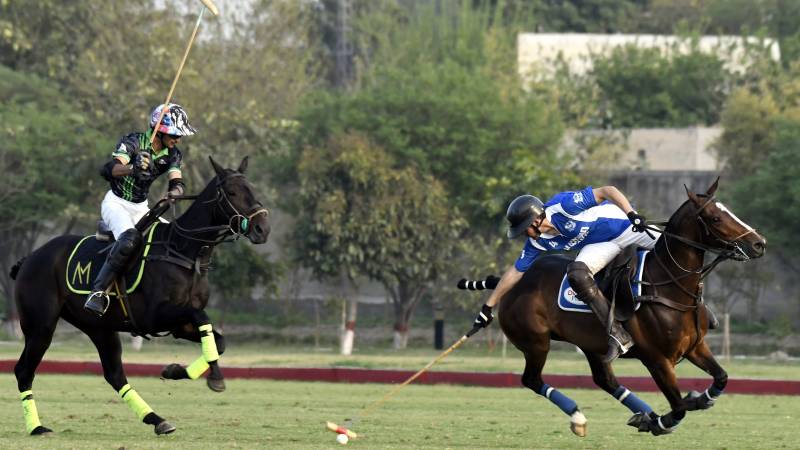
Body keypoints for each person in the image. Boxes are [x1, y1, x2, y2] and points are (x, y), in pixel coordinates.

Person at [472, 186, 657, 363]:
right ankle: (618, 334)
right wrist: (488, 306)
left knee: (676, 246)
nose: (523, 235)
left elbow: (607, 190)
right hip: (604, 245)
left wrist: (631, 214)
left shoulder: (564, 206)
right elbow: (515, 272)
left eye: (523, 229)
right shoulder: (538, 242)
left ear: (535, 220)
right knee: (577, 273)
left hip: (626, 227)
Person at [84, 103, 195, 317]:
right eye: (174, 134)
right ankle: (97, 293)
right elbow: (108, 169)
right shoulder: (134, 142)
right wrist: (132, 168)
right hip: (116, 203)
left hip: (141, 208)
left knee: (172, 236)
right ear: (160, 130)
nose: (178, 139)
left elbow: (177, 181)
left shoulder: (173, 153)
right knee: (129, 240)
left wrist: (176, 192)